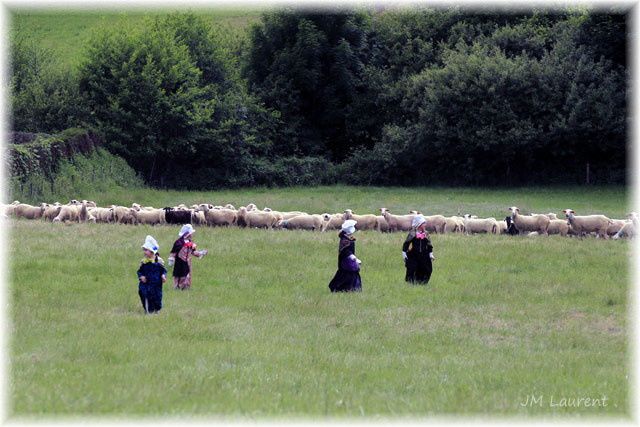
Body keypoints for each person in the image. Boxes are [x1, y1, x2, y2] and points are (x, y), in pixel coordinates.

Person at [168, 224, 208, 290]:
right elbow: (174, 252)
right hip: (179, 262)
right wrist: (171, 260)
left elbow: (193, 252)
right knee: (178, 275)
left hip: (187, 262)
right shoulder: (178, 242)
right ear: (187, 234)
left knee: (187, 275)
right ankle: (177, 287)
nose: (192, 235)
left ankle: (185, 288)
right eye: (191, 233)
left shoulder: (190, 242)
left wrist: (201, 253)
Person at [328, 219, 362, 292]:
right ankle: (344, 288)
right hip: (346, 261)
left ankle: (351, 289)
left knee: (350, 273)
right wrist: (353, 258)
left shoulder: (347, 238)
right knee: (349, 272)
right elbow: (345, 251)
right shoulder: (345, 240)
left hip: (348, 260)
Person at [137, 235, 167, 314]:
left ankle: (157, 309)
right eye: (144, 250)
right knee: (145, 295)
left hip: (156, 284)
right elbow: (140, 271)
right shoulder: (144, 262)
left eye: (146, 250)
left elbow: (163, 270)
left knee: (157, 297)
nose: (144, 252)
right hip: (146, 283)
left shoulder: (159, 261)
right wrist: (141, 277)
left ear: (152, 251)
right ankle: (148, 310)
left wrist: (163, 276)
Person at [402, 215, 435, 284]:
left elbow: (429, 245)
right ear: (419, 224)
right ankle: (412, 282)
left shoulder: (426, 234)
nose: (425, 225)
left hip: (424, 254)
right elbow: (407, 243)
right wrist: (404, 253)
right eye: (423, 223)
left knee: (426, 268)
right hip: (414, 254)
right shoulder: (412, 233)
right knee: (413, 268)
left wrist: (431, 254)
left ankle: (423, 282)